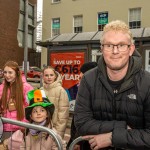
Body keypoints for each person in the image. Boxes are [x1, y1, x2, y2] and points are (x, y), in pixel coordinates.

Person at [74, 20, 150, 150]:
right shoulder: (88, 79)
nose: (115, 51)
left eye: (121, 45)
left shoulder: (147, 83)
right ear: (102, 49)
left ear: (130, 49)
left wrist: (112, 138)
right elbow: (81, 123)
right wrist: (121, 127)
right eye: (109, 45)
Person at [0, 61, 33, 143]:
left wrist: (25, 124)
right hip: (6, 128)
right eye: (5, 72)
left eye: (10, 72)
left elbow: (32, 107)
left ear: (17, 73)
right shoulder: (1, 87)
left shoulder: (26, 87)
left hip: (21, 128)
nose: (7, 75)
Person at [67, 61, 97, 150]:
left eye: (81, 78)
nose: (78, 82)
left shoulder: (95, 97)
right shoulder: (84, 93)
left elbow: (85, 121)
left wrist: (77, 141)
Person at [40, 66, 69, 139]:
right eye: (46, 75)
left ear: (55, 76)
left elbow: (63, 115)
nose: (49, 77)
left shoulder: (61, 91)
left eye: (51, 75)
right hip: (41, 128)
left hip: (55, 130)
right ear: (43, 77)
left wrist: (58, 132)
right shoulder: (40, 90)